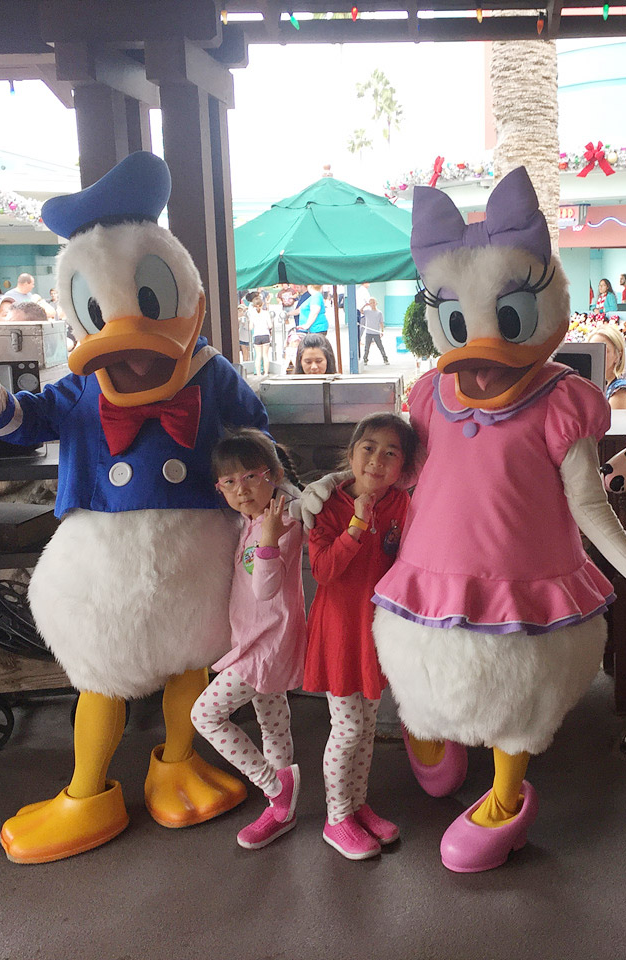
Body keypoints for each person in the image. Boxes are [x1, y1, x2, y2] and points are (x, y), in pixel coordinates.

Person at [304, 413, 416, 860]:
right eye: (369, 448)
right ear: (350, 454)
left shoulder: (402, 504)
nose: (377, 460)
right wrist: (355, 525)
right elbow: (323, 571)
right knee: (348, 727)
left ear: (404, 467)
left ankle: (356, 804)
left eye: (391, 453)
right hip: (340, 631)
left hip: (378, 630)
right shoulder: (325, 506)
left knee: (367, 727)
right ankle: (336, 818)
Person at [191, 430, 307, 851]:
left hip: (267, 643)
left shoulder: (282, 520)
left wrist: (270, 537)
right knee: (272, 721)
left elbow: (265, 588)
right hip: (255, 638)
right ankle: (282, 812)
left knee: (205, 715)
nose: (241, 489)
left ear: (273, 475)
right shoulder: (252, 519)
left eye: (251, 477)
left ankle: (274, 787)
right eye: (229, 482)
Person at [248, 294, 273, 374]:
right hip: (265, 335)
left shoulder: (252, 314)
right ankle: (266, 373)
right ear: (262, 304)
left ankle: (258, 373)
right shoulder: (266, 313)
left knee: (258, 356)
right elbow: (270, 325)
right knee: (265, 355)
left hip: (257, 335)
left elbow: (250, 327)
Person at [360, 298, 388, 364]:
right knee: (367, 347)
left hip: (376, 333)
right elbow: (361, 311)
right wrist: (365, 305)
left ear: (376, 303)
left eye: (373, 302)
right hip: (368, 333)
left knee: (380, 347)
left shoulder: (379, 313)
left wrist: (382, 331)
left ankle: (385, 359)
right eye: (371, 303)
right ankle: (365, 359)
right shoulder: (367, 311)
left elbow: (381, 323)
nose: (372, 304)